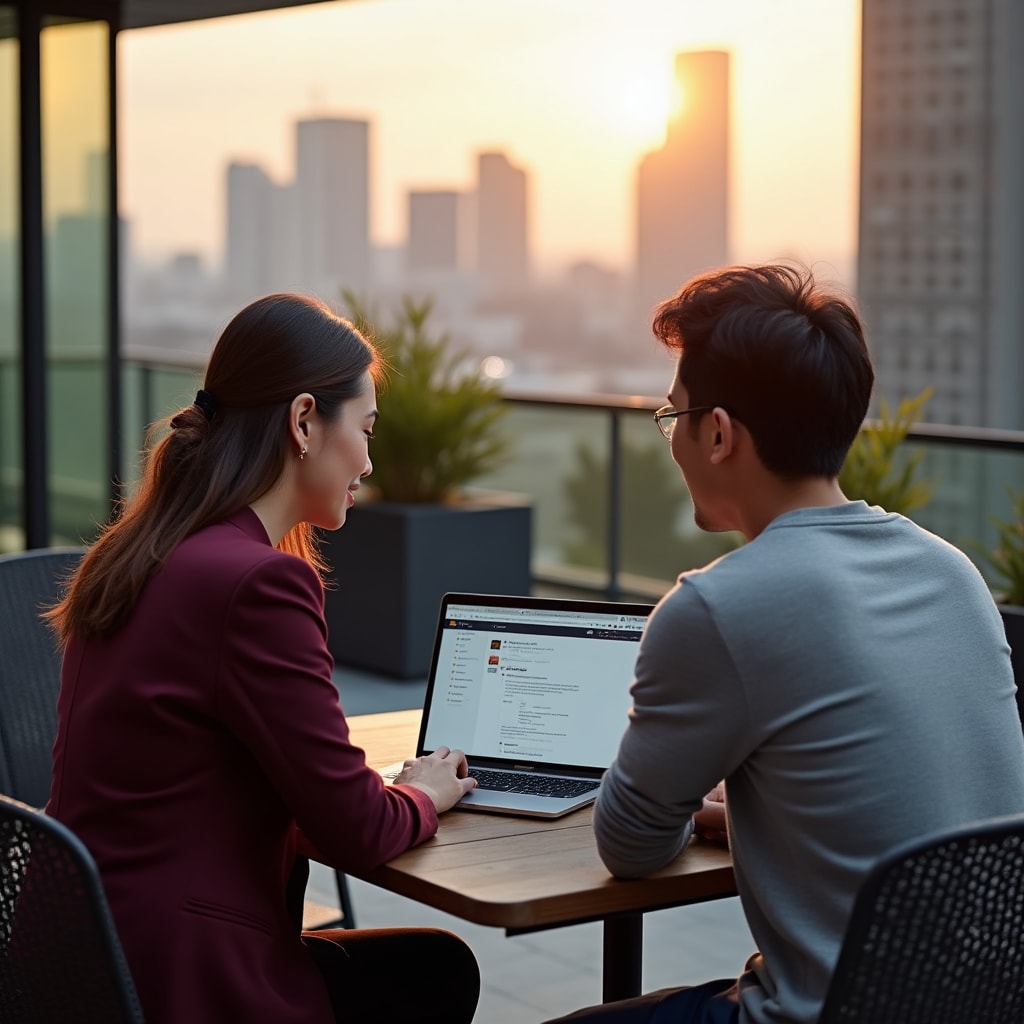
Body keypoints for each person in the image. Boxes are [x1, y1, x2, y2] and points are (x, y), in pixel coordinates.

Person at [545, 264, 1024, 1024]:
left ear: (718, 433)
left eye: (674, 418)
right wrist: (738, 810)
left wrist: (700, 799)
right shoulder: (952, 573)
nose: (673, 442)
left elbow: (630, 848)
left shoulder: (718, 605)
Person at [46, 294, 481, 1024]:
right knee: (436, 973)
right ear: (304, 421)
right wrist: (422, 792)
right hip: (187, 976)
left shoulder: (137, 552)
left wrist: (345, 792)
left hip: (85, 956)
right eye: (365, 430)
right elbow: (358, 832)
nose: (369, 461)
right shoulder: (256, 582)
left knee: (428, 969)